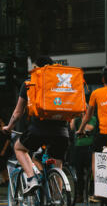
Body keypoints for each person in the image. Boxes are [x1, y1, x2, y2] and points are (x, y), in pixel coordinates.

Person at [1, 56, 70, 195]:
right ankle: (57, 198)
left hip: (39, 130)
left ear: (36, 68)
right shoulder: (63, 82)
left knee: (19, 148)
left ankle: (32, 179)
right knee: (57, 163)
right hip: (62, 132)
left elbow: (18, 112)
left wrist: (8, 127)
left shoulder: (29, 82)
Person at [76, 65, 107, 173]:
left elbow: (88, 115)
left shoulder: (96, 93)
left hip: (104, 132)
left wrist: (80, 129)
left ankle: (96, 180)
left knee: (95, 155)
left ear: (102, 79)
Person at [70, 110, 97, 203]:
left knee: (91, 172)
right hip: (78, 148)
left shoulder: (92, 119)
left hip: (89, 148)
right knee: (79, 173)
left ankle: (91, 194)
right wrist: (74, 116)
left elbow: (89, 128)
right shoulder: (77, 119)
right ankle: (80, 195)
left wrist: (84, 119)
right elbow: (72, 127)